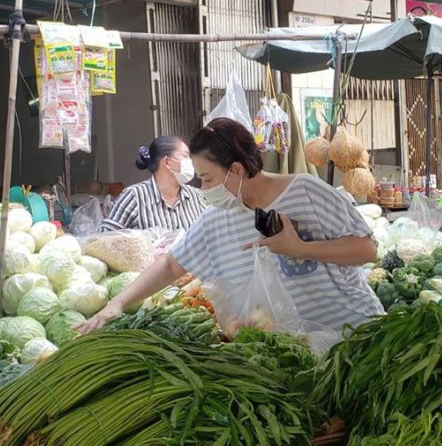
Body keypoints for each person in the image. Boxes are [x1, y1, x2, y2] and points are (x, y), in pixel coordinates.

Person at [79, 118, 384, 334]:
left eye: (208, 179)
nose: (204, 188)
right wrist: (117, 303)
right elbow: (172, 266)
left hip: (353, 337)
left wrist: (300, 249)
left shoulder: (306, 191)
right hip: (298, 355)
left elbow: (367, 250)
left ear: (236, 169)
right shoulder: (217, 219)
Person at [100, 136, 206, 232]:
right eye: (185, 155)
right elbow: (105, 236)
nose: (190, 162)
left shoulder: (195, 196)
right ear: (167, 162)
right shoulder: (135, 196)